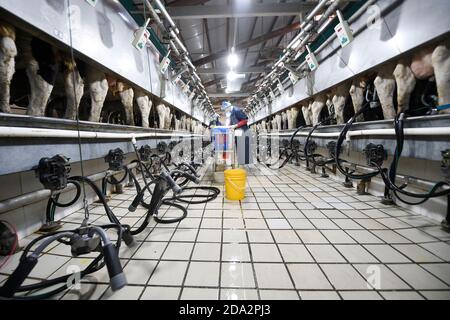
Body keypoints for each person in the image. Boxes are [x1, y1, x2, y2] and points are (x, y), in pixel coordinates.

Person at [221, 100, 253, 165]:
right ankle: (241, 164)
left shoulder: (237, 110)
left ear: (228, 107)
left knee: (244, 149)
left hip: (243, 132)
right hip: (238, 132)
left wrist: (235, 125)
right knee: (240, 149)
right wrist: (229, 127)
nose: (225, 111)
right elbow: (232, 122)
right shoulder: (231, 113)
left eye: (225, 109)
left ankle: (244, 165)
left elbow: (245, 120)